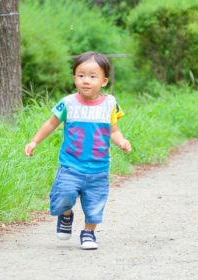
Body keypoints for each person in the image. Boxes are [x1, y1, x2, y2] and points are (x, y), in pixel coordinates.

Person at [25, 51, 131, 250]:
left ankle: (89, 233)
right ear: (74, 78)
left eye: (93, 76)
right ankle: (66, 215)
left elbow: (113, 131)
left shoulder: (110, 104)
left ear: (104, 81)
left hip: (99, 168)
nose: (86, 81)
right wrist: (34, 142)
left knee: (95, 204)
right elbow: (50, 124)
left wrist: (122, 142)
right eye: (81, 75)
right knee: (63, 196)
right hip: (71, 166)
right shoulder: (68, 103)